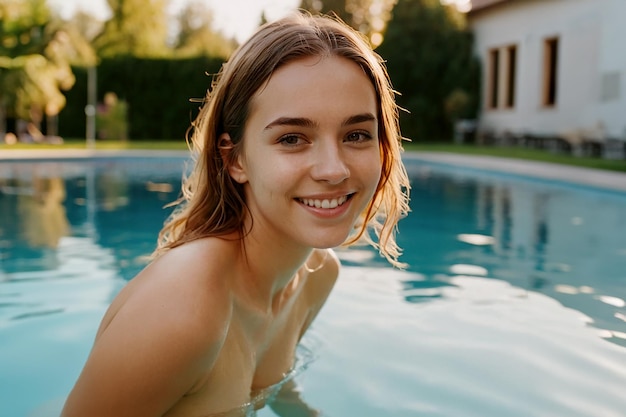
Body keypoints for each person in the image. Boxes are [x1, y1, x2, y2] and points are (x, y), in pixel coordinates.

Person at [61, 11, 410, 417]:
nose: (333, 169)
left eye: (356, 135)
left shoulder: (318, 276)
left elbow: (276, 389)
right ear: (235, 159)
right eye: (292, 138)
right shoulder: (185, 307)